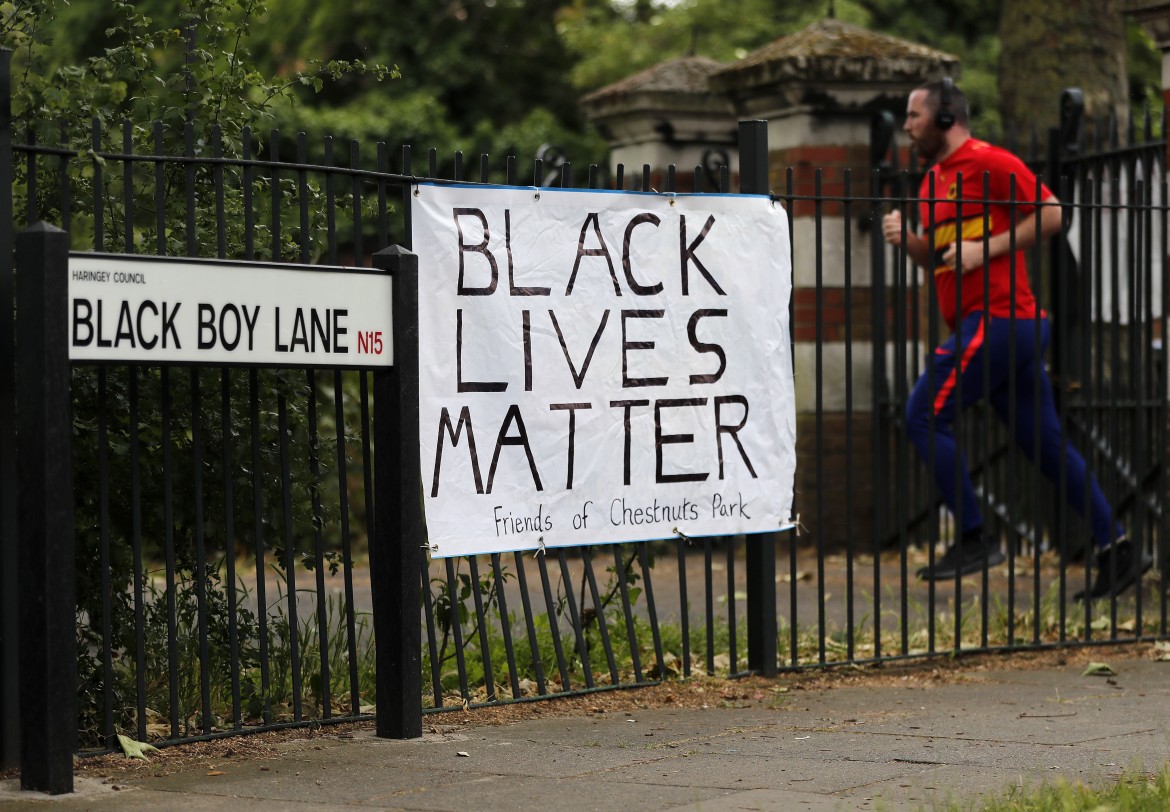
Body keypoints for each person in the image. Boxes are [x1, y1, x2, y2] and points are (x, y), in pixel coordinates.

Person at [880, 78, 1151, 598]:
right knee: (1046, 447)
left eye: (914, 116)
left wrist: (988, 249)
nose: (907, 126)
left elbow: (1052, 214)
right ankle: (1118, 549)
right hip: (990, 329)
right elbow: (939, 260)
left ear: (944, 119)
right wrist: (907, 241)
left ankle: (974, 535)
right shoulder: (932, 181)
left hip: (1002, 320)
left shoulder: (991, 162)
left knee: (924, 414)